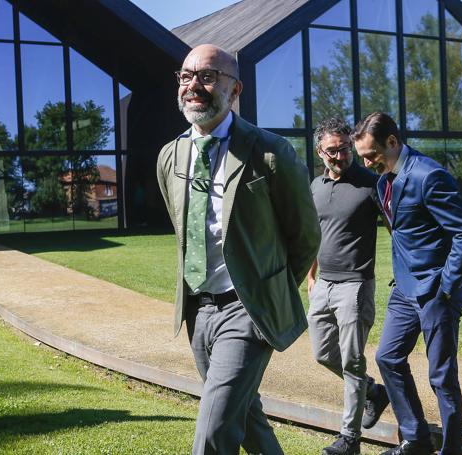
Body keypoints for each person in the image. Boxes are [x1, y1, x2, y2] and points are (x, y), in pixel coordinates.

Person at [156, 44, 320, 455]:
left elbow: (305, 236)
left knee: (214, 431)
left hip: (246, 309)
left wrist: (267, 287)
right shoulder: (170, 156)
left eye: (208, 76)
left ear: (235, 89)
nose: (194, 85)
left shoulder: (269, 152)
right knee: (245, 417)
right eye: (186, 76)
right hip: (197, 310)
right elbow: (182, 231)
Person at [352, 112, 462, 455]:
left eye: (371, 155)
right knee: (388, 358)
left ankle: (451, 450)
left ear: (392, 142)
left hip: (437, 290)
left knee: (441, 377)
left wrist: (448, 285)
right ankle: (416, 440)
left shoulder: (429, 175)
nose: (366, 162)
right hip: (404, 290)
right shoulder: (383, 181)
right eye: (362, 156)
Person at [306, 118, 390, 455]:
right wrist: (311, 276)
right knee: (323, 353)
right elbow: (315, 234)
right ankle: (373, 392)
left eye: (344, 149)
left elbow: (395, 228)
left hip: (355, 286)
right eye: (333, 151)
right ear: (319, 151)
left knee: (353, 360)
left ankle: (349, 439)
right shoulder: (316, 185)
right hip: (323, 283)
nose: (340, 156)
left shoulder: (371, 183)